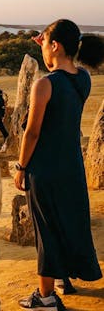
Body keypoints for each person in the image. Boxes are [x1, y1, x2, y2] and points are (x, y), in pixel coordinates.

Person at [14, 19, 103, 310]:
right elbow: (65, 80)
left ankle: (46, 297)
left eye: (47, 43)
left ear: (54, 45)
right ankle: (64, 278)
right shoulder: (85, 78)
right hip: (71, 166)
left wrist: (21, 167)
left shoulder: (44, 85)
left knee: (46, 228)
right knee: (67, 222)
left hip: (45, 169)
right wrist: (50, 47)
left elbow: (33, 132)